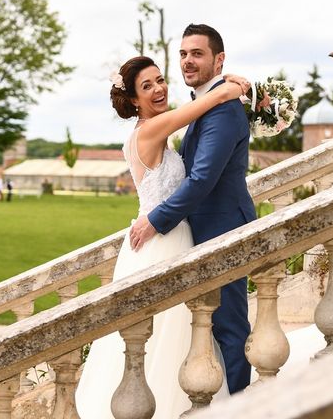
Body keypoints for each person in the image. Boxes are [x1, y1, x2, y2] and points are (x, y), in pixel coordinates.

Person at [75, 55, 249, 418]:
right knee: (165, 337)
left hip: (167, 237)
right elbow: (208, 102)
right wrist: (230, 85)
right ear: (134, 100)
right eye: (147, 86)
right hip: (160, 243)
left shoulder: (155, 133)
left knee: (179, 335)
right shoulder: (150, 130)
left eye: (159, 80)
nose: (158, 89)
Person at [129, 23, 257, 395]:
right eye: (183, 53)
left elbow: (201, 179)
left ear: (218, 60)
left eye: (196, 54)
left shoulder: (221, 109)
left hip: (223, 228)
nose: (187, 61)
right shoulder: (205, 103)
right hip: (194, 235)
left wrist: (156, 220)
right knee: (197, 329)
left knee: (229, 327)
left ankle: (241, 405)